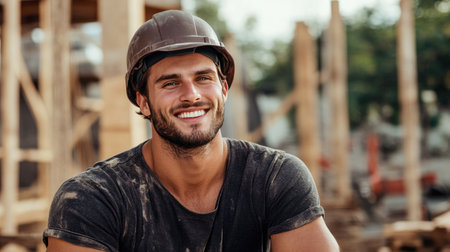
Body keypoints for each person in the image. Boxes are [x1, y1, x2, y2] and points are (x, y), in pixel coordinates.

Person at [43, 9, 339, 252]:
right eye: (170, 83)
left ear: (224, 89)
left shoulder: (275, 178)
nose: (192, 94)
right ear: (143, 101)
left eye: (203, 78)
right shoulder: (91, 200)